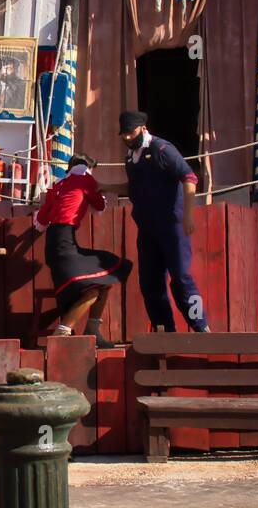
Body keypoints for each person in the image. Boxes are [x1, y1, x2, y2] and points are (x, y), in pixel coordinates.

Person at [119, 110, 210, 332]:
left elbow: (189, 178)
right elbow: (133, 188)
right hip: (148, 229)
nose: (128, 138)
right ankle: (164, 331)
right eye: (124, 134)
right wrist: (103, 186)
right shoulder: (131, 158)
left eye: (131, 133)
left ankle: (202, 327)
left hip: (171, 226)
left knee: (181, 278)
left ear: (142, 128)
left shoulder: (162, 149)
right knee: (150, 283)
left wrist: (188, 214)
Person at [33, 154, 131, 347]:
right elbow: (100, 205)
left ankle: (92, 330)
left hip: (55, 244)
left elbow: (41, 220)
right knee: (94, 288)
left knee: (104, 283)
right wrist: (97, 190)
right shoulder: (85, 179)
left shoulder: (59, 185)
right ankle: (61, 335)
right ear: (88, 167)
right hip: (64, 243)